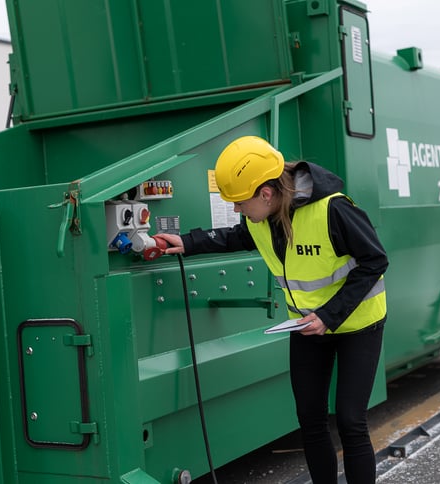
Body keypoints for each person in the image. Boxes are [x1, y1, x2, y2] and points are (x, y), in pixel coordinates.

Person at [154, 136, 388, 484]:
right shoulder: (261, 219)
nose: (236, 210)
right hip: (306, 328)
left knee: (351, 421)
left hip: (357, 325)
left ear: (266, 193)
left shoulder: (334, 210)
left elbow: (375, 260)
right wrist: (188, 242)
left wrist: (328, 315)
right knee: (310, 420)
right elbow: (235, 237)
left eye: (239, 202)